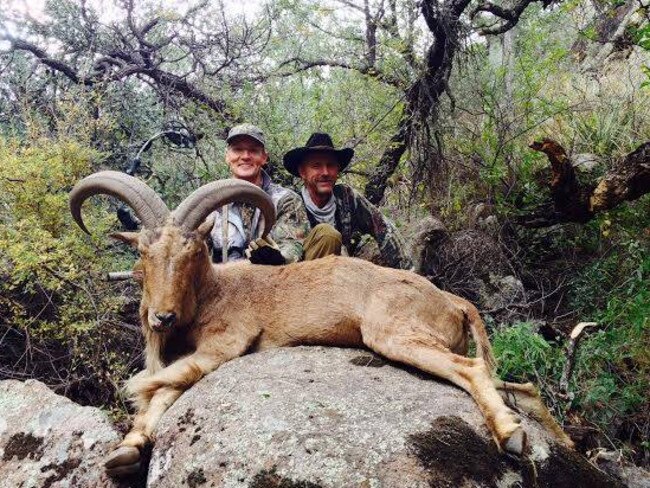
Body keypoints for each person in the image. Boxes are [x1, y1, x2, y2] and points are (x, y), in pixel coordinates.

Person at [283, 132, 412, 270]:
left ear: (338, 170)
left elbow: (384, 229)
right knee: (327, 235)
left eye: (331, 165)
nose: (325, 172)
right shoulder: (293, 204)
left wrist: (410, 273)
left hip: (341, 275)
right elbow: (289, 249)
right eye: (316, 166)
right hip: (304, 276)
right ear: (303, 172)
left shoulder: (347, 197)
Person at [209, 124, 309, 265]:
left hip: (272, 280)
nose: (245, 156)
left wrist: (280, 258)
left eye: (253, 151)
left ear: (264, 158)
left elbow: (293, 245)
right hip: (224, 283)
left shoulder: (286, 200)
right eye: (237, 149)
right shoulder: (210, 202)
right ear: (227, 156)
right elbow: (193, 246)